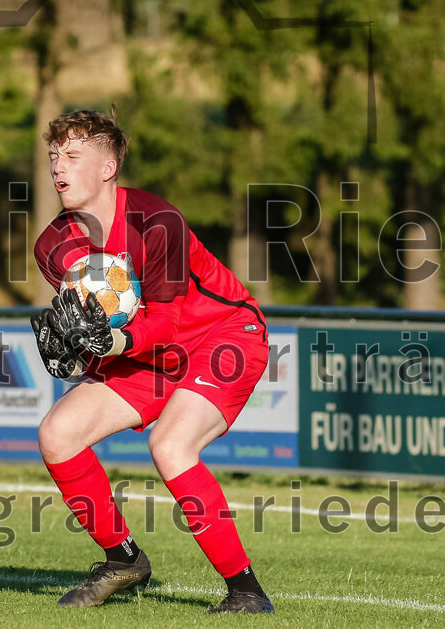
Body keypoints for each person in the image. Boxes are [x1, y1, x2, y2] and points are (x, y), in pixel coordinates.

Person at [30, 108, 274, 615]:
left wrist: (108, 344)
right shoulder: (52, 245)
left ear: (107, 167)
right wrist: (77, 352)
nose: (58, 168)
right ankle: (123, 560)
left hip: (223, 334)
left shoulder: (156, 222)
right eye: (54, 157)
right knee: (57, 434)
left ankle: (247, 593)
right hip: (151, 354)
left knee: (171, 444)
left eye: (73, 156)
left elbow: (163, 321)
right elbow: (105, 330)